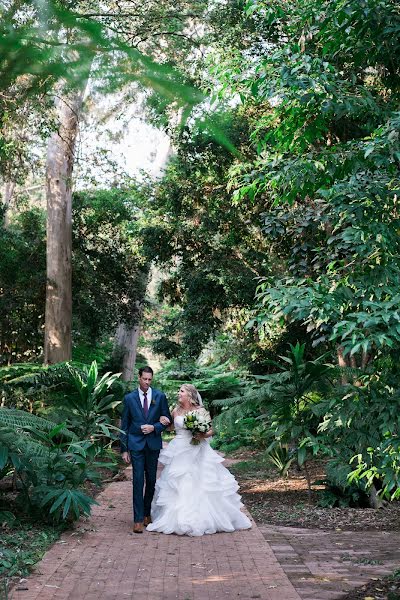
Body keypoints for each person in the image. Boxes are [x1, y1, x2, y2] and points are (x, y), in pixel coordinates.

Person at [146, 383, 252, 536]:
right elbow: (170, 427)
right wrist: (162, 420)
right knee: (177, 481)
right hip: (179, 449)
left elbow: (211, 429)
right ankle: (176, 518)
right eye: (179, 390)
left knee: (200, 481)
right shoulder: (175, 410)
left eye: (181, 391)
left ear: (189, 394)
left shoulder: (200, 411)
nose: (178, 393)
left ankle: (205, 518)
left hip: (197, 449)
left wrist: (201, 434)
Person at [120, 366, 172, 533]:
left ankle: (147, 513)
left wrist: (154, 427)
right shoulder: (129, 398)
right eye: (145, 379)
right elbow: (125, 425)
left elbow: (167, 420)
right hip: (135, 444)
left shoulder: (160, 396)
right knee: (137, 480)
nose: (147, 383)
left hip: (153, 444)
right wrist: (124, 449)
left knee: (151, 481)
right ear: (139, 378)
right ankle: (137, 519)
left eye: (150, 380)